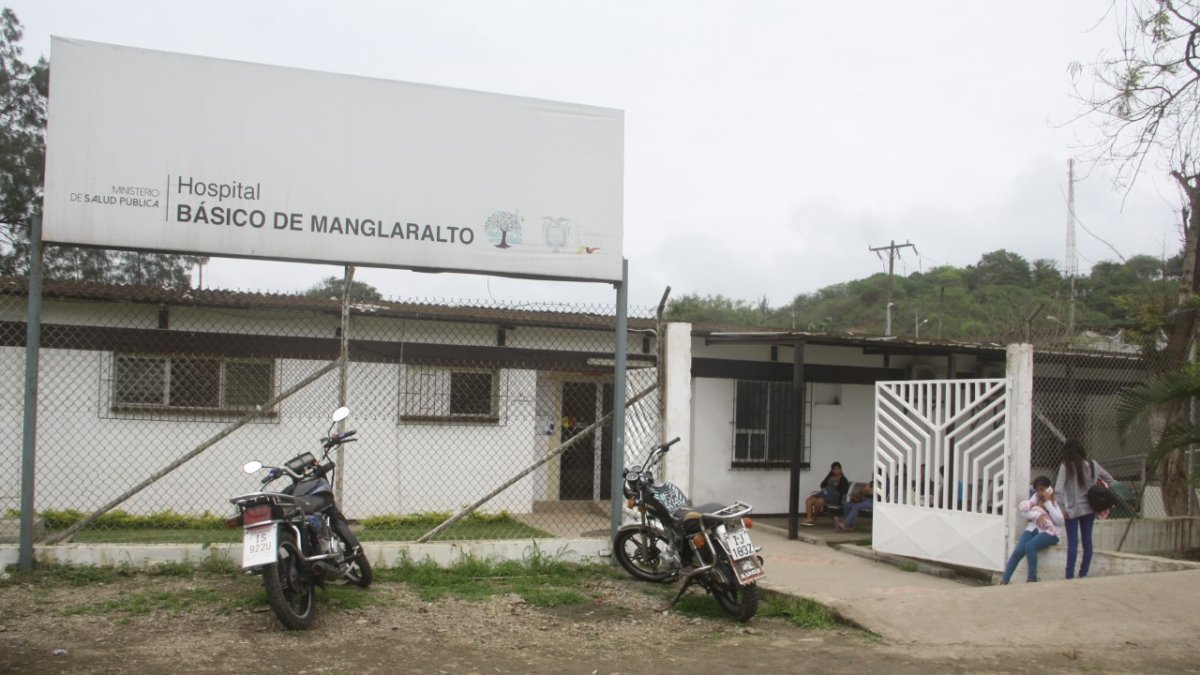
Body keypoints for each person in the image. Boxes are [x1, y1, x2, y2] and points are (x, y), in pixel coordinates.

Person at [1054, 438, 1116, 579]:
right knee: (1087, 541)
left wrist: (1062, 507)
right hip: (1089, 509)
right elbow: (1110, 479)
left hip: (1071, 510)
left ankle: (1069, 575)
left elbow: (1058, 490)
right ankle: (1083, 573)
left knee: (1073, 543)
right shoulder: (1093, 465)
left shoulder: (1066, 467)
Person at [1001, 476, 1063, 584]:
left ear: (1049, 489)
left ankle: (1031, 578)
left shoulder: (1054, 502)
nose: (1040, 492)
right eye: (1037, 490)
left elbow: (1059, 521)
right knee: (1018, 551)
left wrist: (1048, 503)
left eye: (1042, 489)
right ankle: (1004, 580)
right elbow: (1024, 511)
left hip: (1050, 533)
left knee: (1030, 546)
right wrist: (1037, 515)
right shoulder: (1035, 498)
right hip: (1033, 528)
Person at [802, 461, 849, 526]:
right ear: (832, 470)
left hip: (834, 497)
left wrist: (837, 486)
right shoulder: (830, 476)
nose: (836, 471)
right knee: (809, 500)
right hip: (825, 493)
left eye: (838, 469)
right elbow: (822, 485)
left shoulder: (843, 479)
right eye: (834, 469)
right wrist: (824, 491)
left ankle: (814, 518)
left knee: (818, 501)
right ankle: (809, 518)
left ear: (840, 469)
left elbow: (844, 491)